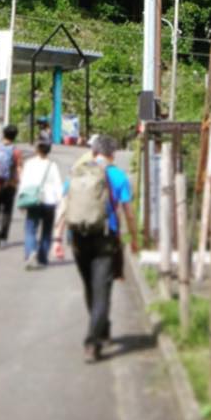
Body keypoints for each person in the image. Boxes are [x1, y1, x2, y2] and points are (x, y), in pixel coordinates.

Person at [53, 134, 139, 362]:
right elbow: (128, 213)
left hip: (78, 239)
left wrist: (56, 239)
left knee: (90, 287)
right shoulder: (119, 176)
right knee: (102, 290)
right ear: (113, 154)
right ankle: (93, 341)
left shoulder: (78, 173)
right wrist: (134, 238)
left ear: (94, 152)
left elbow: (64, 206)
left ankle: (101, 328)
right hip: (105, 239)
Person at [17, 134, 63, 268]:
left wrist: (21, 198)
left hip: (33, 200)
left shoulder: (29, 164)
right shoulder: (52, 165)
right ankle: (42, 258)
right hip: (50, 201)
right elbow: (58, 185)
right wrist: (60, 203)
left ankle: (30, 252)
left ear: (37, 149)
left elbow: (24, 182)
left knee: (30, 228)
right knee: (47, 231)